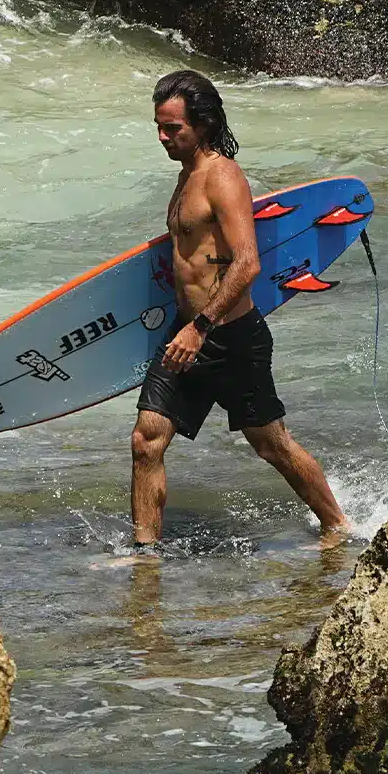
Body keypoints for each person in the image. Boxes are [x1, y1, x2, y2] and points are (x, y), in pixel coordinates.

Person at [130, 69, 347, 550]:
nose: (162, 137)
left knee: (270, 444)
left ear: (203, 123)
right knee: (146, 440)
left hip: (229, 337)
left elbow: (248, 264)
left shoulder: (222, 177)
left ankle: (336, 524)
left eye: (173, 128)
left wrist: (200, 327)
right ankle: (145, 556)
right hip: (185, 334)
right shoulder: (186, 177)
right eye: (158, 127)